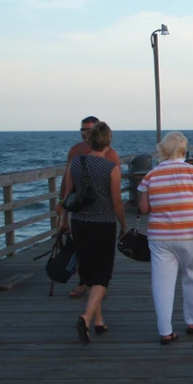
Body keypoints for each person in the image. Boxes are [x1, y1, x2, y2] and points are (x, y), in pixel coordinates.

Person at [137, 132, 193, 345]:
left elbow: (144, 208)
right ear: (184, 151)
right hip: (190, 233)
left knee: (162, 283)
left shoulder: (150, 175)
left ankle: (165, 331)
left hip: (160, 237)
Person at [60, 122, 127, 345]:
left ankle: (98, 320)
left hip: (80, 223)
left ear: (89, 140)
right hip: (103, 225)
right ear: (108, 141)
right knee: (103, 274)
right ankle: (86, 317)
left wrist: (63, 220)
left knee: (88, 274)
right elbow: (117, 202)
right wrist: (124, 225)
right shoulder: (111, 168)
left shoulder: (75, 163)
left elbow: (67, 196)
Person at [58, 116, 121, 299]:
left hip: (103, 214)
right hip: (80, 212)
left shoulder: (111, 154)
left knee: (101, 255)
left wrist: (119, 218)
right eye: (83, 130)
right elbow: (67, 185)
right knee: (82, 252)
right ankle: (83, 282)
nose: (86, 133)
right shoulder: (75, 152)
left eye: (89, 130)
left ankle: (99, 286)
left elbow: (115, 190)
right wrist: (63, 214)